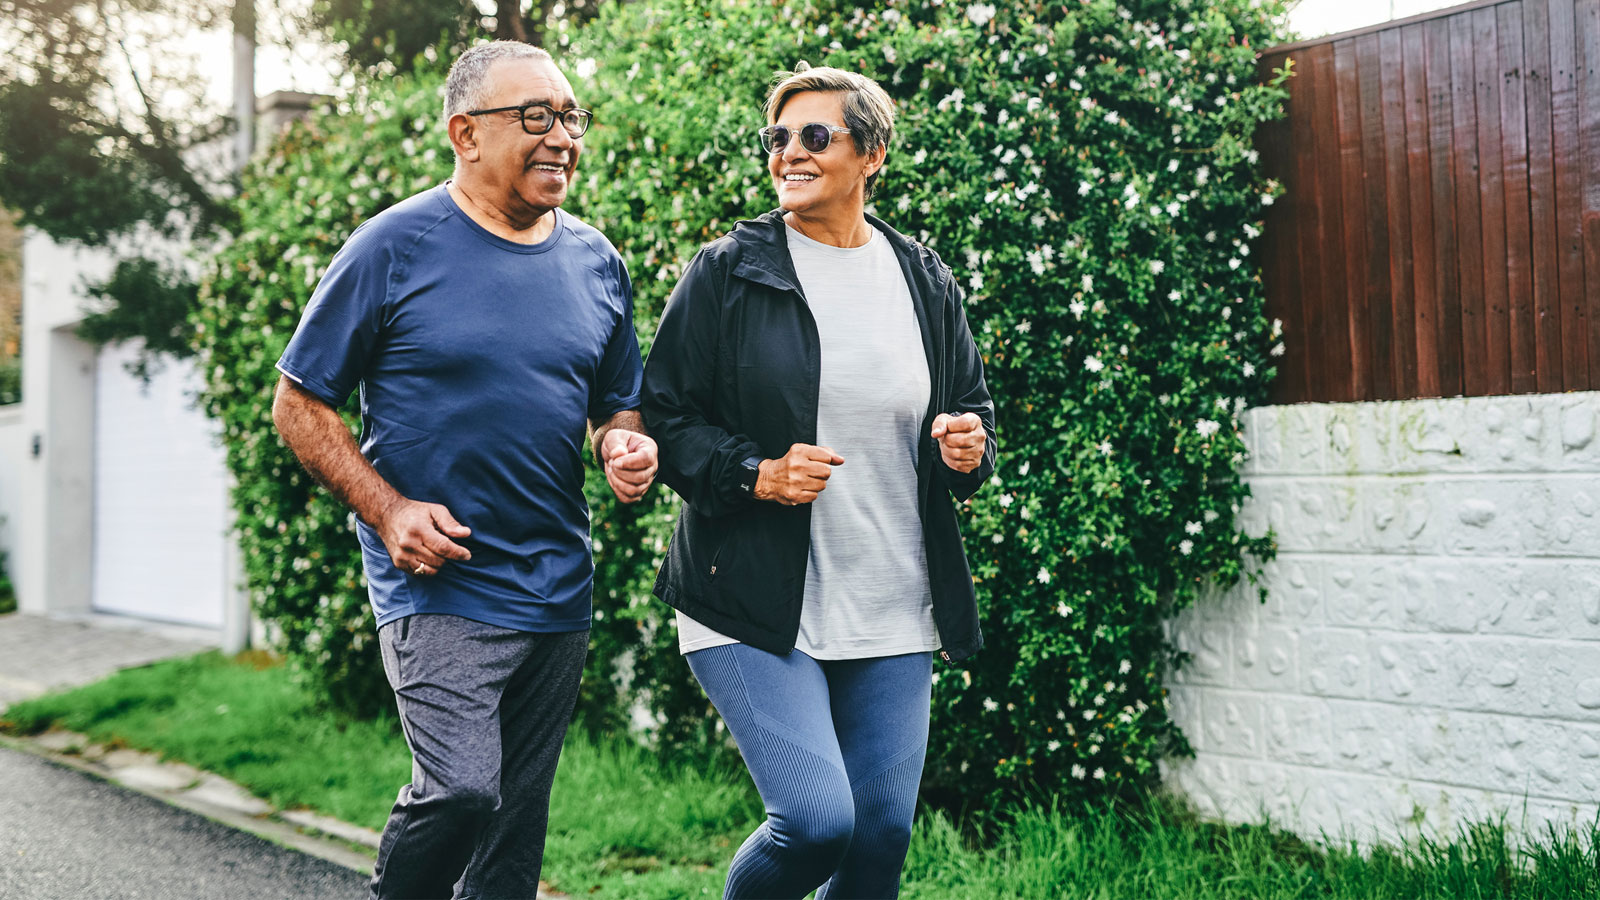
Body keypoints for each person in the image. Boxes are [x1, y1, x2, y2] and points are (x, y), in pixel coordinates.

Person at [271, 41, 657, 900]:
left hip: (557, 578)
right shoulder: (394, 246)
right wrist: (388, 510)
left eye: (570, 117)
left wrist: (623, 445)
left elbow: (614, 404)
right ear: (465, 133)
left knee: (514, 831)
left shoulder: (596, 261)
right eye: (535, 117)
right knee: (460, 789)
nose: (562, 136)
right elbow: (299, 403)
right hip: (438, 576)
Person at [642, 64, 996, 899]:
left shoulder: (922, 277)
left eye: (813, 136)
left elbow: (971, 413)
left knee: (877, 839)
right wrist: (756, 473)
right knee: (815, 822)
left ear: (871, 153)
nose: (788, 154)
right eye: (777, 138)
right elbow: (663, 415)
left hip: (890, 600)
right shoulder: (729, 270)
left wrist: (966, 447)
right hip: (753, 600)